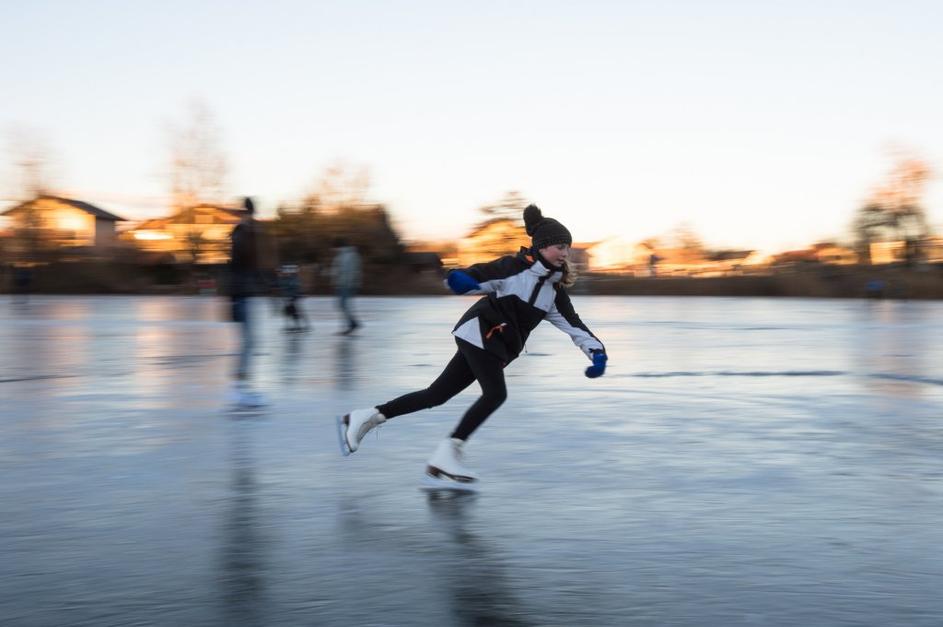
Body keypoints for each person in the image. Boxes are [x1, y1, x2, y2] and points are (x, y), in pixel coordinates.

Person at [338, 205, 608, 489]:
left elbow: (574, 325)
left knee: (436, 395)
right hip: (481, 333)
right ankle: (448, 453)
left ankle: (366, 417)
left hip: (490, 344)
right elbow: (481, 275)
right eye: (559, 246)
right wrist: (462, 279)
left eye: (567, 247)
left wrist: (597, 353)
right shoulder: (514, 268)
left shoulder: (554, 292)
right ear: (541, 246)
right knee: (495, 394)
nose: (565, 253)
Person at [228, 197, 267, 407]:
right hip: (241, 293)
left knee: (249, 341)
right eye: (249, 214)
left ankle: (241, 382)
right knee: (249, 340)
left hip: (244, 292)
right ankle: (239, 384)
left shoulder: (244, 233)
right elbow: (245, 262)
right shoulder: (242, 234)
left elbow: (253, 264)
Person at [330, 237, 362, 335]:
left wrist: (348, 284)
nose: (332, 250)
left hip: (345, 285)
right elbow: (337, 270)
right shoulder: (342, 255)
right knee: (342, 305)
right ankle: (352, 324)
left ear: (338, 247)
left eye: (333, 247)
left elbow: (350, 272)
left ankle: (352, 324)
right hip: (342, 284)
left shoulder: (348, 256)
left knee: (342, 305)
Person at [278, 264, 309, 332]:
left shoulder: (291, 278)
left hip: (292, 297)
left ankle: (299, 326)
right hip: (289, 297)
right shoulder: (285, 279)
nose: (280, 274)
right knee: (290, 312)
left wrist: (292, 298)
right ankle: (297, 326)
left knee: (293, 311)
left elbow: (294, 288)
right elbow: (285, 288)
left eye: (281, 272)